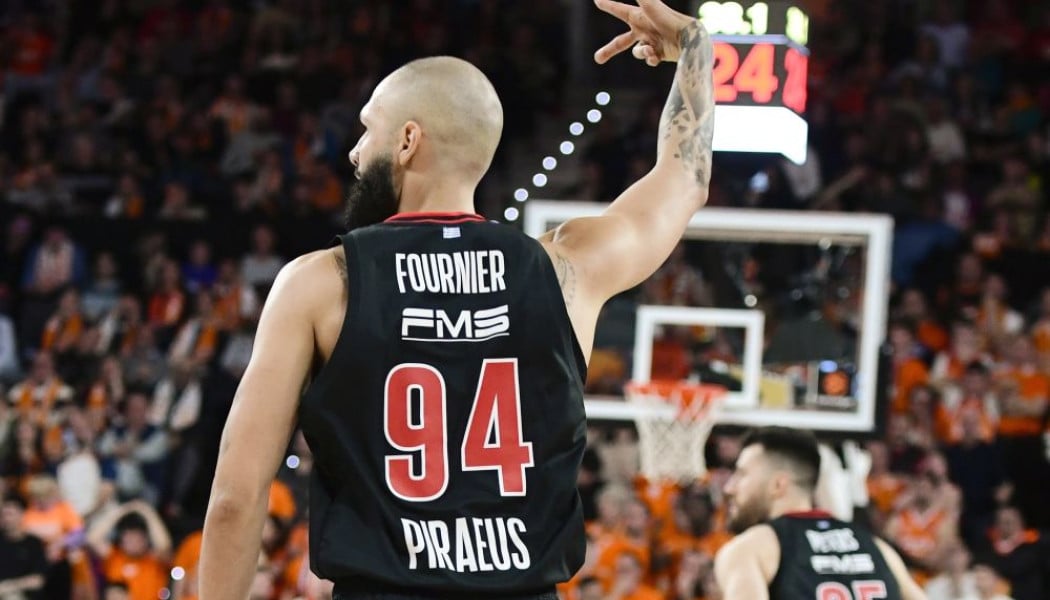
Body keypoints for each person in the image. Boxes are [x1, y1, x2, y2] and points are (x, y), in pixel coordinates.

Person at [199, 0, 715, 597]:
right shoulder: (563, 269)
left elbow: (236, 498)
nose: (356, 151)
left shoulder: (321, 283)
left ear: (408, 141)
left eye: (369, 129)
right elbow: (684, 180)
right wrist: (695, 48)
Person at [714, 427, 928, 599]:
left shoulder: (751, 550)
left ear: (778, 485)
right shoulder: (877, 548)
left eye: (741, 474)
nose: (729, 487)